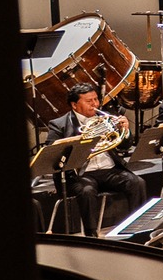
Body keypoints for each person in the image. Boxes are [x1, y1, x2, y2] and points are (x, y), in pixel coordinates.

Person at [45, 82, 147, 235]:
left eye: (96, 99)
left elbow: (124, 146)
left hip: (109, 169)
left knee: (137, 183)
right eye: (89, 101)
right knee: (86, 191)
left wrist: (125, 131)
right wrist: (81, 142)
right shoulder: (59, 125)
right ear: (74, 105)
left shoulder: (106, 118)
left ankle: (138, 230)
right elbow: (52, 154)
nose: (95, 104)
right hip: (80, 174)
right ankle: (91, 235)